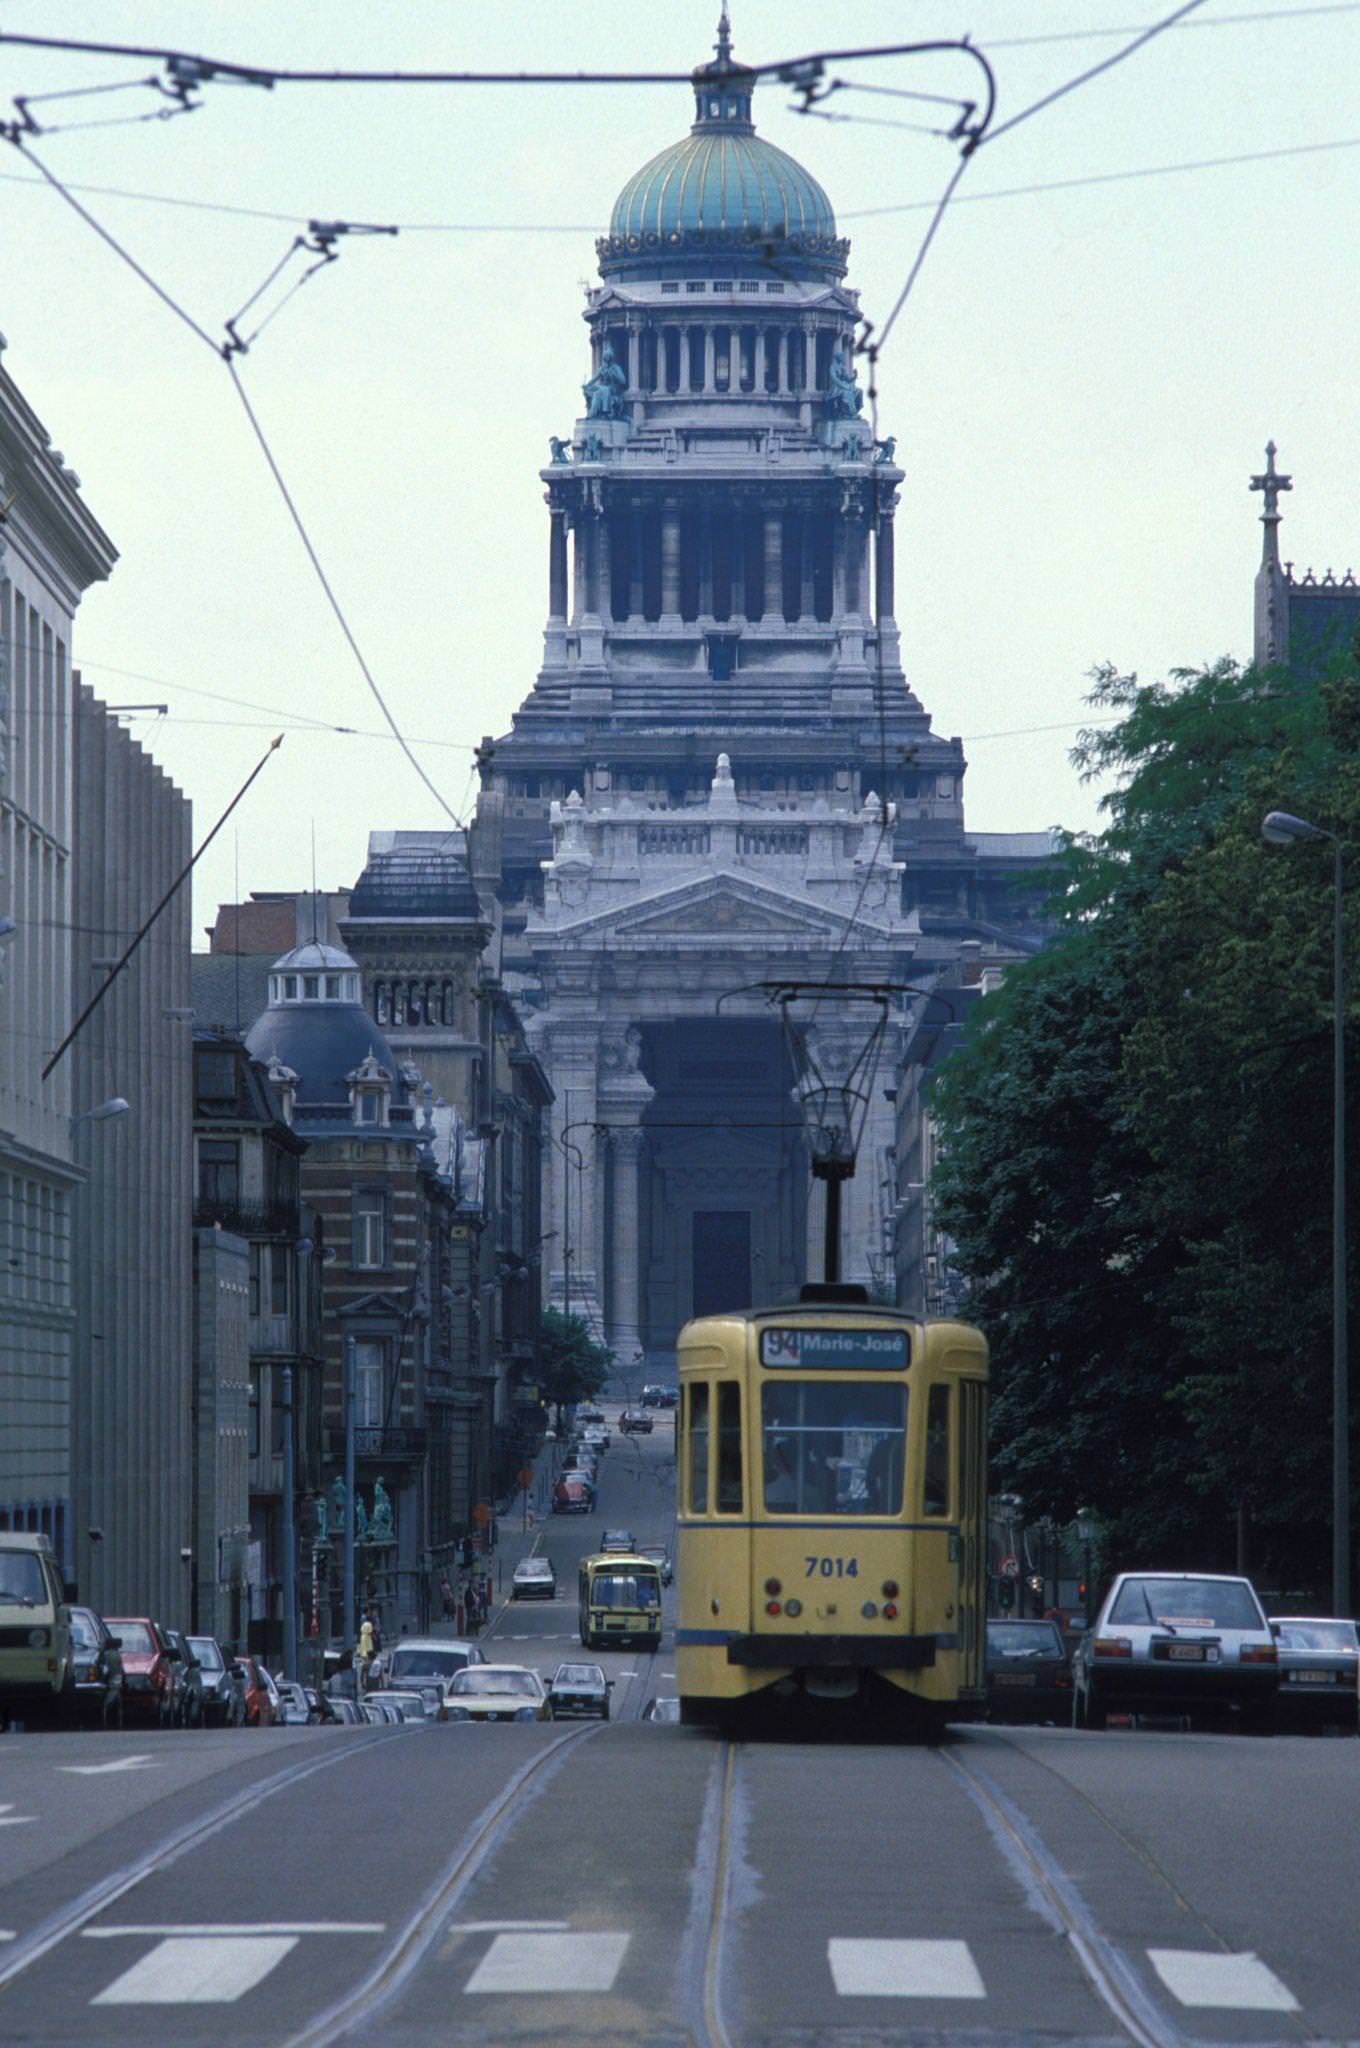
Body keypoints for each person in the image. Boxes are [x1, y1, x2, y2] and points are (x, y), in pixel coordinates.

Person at [355, 1613, 375, 1694]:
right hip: (367, 1639)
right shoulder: (369, 1624)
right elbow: (370, 1633)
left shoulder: (363, 1624)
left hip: (363, 1638)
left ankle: (364, 1682)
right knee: (368, 1651)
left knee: (364, 1654)